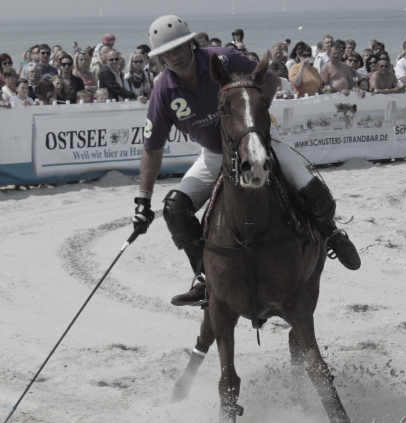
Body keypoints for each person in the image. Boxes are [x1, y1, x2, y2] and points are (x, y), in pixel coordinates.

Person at [134, 15, 360, 307]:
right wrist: (143, 199)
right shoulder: (163, 91)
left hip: (258, 143)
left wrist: (254, 120)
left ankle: (331, 233)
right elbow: (152, 148)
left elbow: (268, 81)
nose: (174, 56)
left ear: (191, 44)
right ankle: (204, 278)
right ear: (159, 57)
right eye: (166, 52)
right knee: (175, 209)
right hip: (216, 155)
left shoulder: (224, 58)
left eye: (178, 47)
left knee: (311, 188)